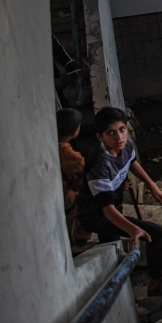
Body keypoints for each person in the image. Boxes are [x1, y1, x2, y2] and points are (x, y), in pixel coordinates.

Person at [78, 107, 162, 295]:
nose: (119, 136)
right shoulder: (98, 165)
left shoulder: (125, 145)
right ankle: (155, 281)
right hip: (97, 214)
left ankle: (121, 285)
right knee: (155, 233)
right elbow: (107, 210)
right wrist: (133, 229)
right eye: (111, 132)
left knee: (111, 248)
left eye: (122, 129)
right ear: (100, 137)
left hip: (114, 206)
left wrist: (152, 185)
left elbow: (132, 162)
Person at [57, 108, 91, 254]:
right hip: (66, 197)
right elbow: (88, 174)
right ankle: (79, 242)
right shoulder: (70, 155)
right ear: (76, 131)